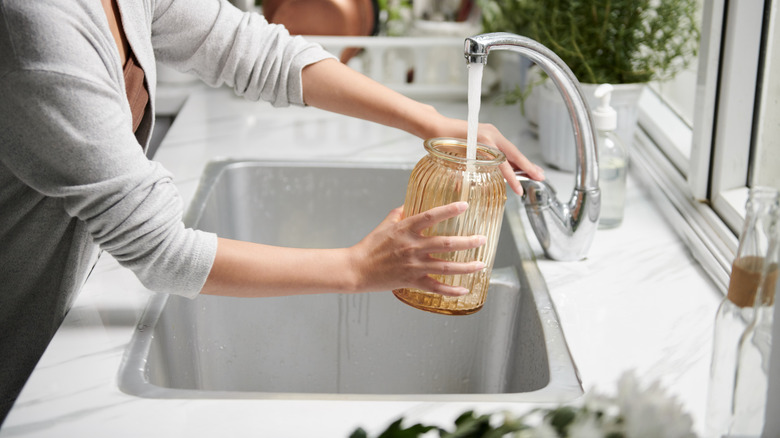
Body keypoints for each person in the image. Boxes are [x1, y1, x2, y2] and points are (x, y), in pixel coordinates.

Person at [0, 0, 545, 424]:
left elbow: (252, 50)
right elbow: (161, 251)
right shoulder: (35, 29)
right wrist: (357, 268)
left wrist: (428, 121)